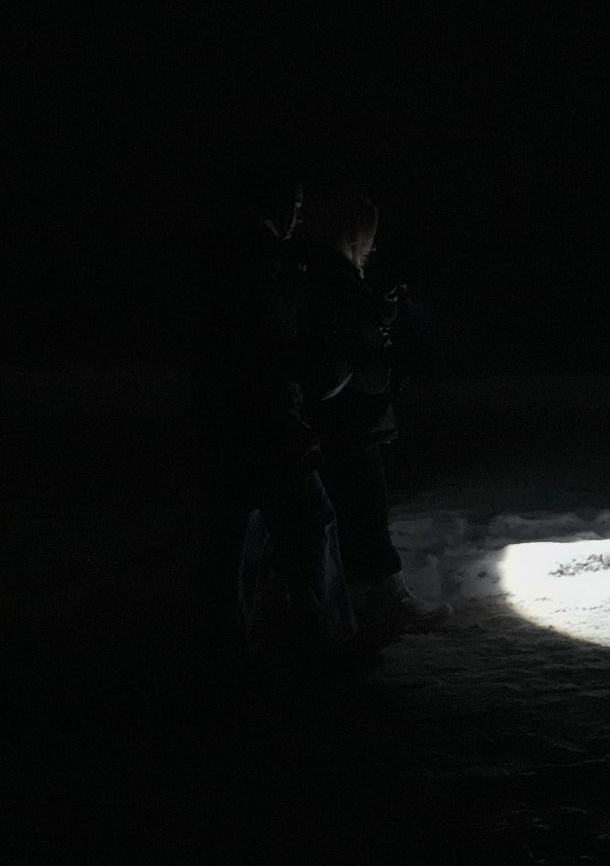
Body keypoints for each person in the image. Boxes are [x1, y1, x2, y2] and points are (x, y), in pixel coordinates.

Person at [188, 164, 358, 680]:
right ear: (277, 206)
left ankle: (227, 652)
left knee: (230, 547)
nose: (299, 218)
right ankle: (330, 648)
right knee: (310, 527)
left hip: (220, 423)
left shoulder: (212, 257)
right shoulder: (267, 262)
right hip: (265, 423)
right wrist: (329, 359)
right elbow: (280, 350)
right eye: (297, 207)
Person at [292, 187, 453, 641]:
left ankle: (357, 604)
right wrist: (375, 328)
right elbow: (350, 360)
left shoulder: (318, 272)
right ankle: (379, 604)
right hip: (350, 424)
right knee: (364, 507)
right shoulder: (336, 278)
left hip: (340, 423)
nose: (374, 245)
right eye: (368, 234)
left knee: (353, 511)